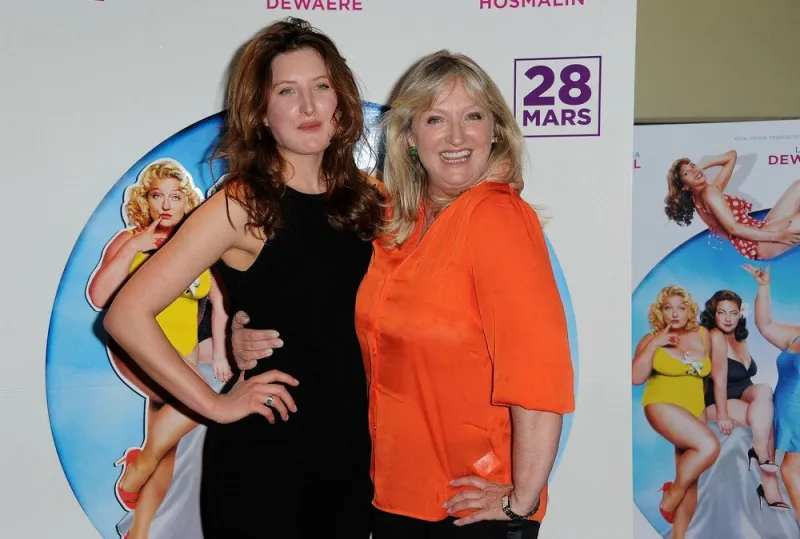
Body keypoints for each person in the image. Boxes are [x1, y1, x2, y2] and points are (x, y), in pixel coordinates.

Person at [230, 50, 575, 539]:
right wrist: (239, 322)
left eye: (473, 116)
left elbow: (539, 377)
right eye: (436, 119)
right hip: (393, 497)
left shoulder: (496, 217)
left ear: (495, 130)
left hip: (466, 506)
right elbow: (312, 281)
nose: (457, 137)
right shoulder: (393, 217)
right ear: (410, 138)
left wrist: (521, 501)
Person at [103, 18, 383, 539]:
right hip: (266, 462)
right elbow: (125, 315)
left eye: (321, 86)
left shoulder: (366, 199)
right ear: (262, 112)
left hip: (352, 458)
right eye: (287, 90)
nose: (308, 106)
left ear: (340, 99)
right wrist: (214, 403)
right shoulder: (242, 205)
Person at [86, 158, 231, 538]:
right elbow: (100, 296)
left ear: (187, 202)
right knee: (203, 403)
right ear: (145, 201)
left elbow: (219, 304)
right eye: (157, 196)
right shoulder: (130, 239)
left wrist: (217, 352)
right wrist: (134, 245)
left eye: (175, 196)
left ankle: (142, 531)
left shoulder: (199, 244)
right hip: (139, 352)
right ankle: (142, 461)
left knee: (171, 450)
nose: (166, 205)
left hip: (182, 355)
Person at [632, 285, 718, 539]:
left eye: (681, 307)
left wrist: (702, 411)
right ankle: (671, 494)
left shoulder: (703, 335)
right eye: (668, 308)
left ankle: (677, 536)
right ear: (660, 311)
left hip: (694, 409)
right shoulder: (650, 339)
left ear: (689, 310)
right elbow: (636, 377)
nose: (675, 313)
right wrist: (656, 343)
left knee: (691, 479)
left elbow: (706, 379)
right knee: (709, 447)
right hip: (661, 404)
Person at [699, 289, 789, 510]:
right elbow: (719, 381)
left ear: (740, 314)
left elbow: (746, 377)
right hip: (718, 401)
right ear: (714, 313)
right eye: (722, 313)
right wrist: (722, 416)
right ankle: (769, 485)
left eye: (733, 313)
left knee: (764, 390)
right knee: (764, 421)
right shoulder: (716, 337)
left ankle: (759, 451)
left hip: (744, 394)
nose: (728, 319)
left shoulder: (740, 336)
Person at [664, 150, 800, 260]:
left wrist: (701, 166)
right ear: (684, 187)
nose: (694, 171)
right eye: (687, 173)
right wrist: (778, 236)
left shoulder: (704, 194)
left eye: (693, 165)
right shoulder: (709, 192)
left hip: (758, 230)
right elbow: (734, 229)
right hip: (759, 242)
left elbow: (731, 156)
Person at [744, 263, 800, 518]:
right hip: (788, 415)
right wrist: (764, 288)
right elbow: (764, 324)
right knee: (791, 470)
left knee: (790, 470)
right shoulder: (795, 334)